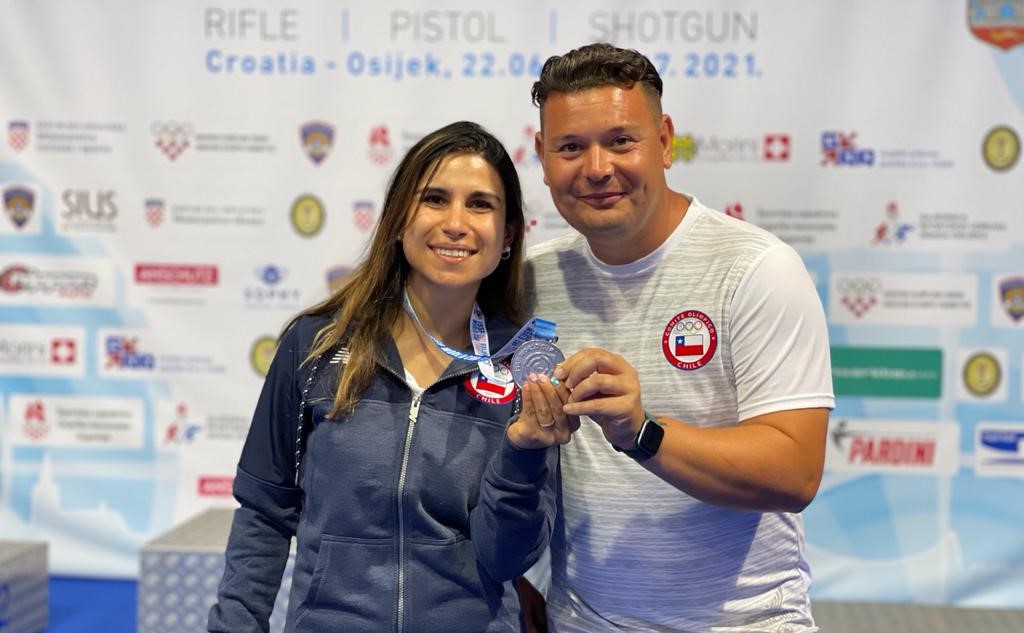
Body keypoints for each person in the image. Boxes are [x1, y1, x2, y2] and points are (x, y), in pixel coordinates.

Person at [208, 121, 577, 633]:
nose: (455, 223)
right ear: (400, 217)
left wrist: (522, 452)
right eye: (435, 199)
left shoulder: (525, 368)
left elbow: (508, 558)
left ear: (509, 233)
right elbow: (264, 515)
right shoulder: (316, 346)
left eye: (480, 204)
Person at [519, 43, 835, 632]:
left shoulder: (755, 268)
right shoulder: (529, 281)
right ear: (540, 155)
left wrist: (641, 432)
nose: (596, 168)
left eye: (620, 140)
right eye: (570, 147)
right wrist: (511, 578)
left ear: (664, 141)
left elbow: (795, 472)